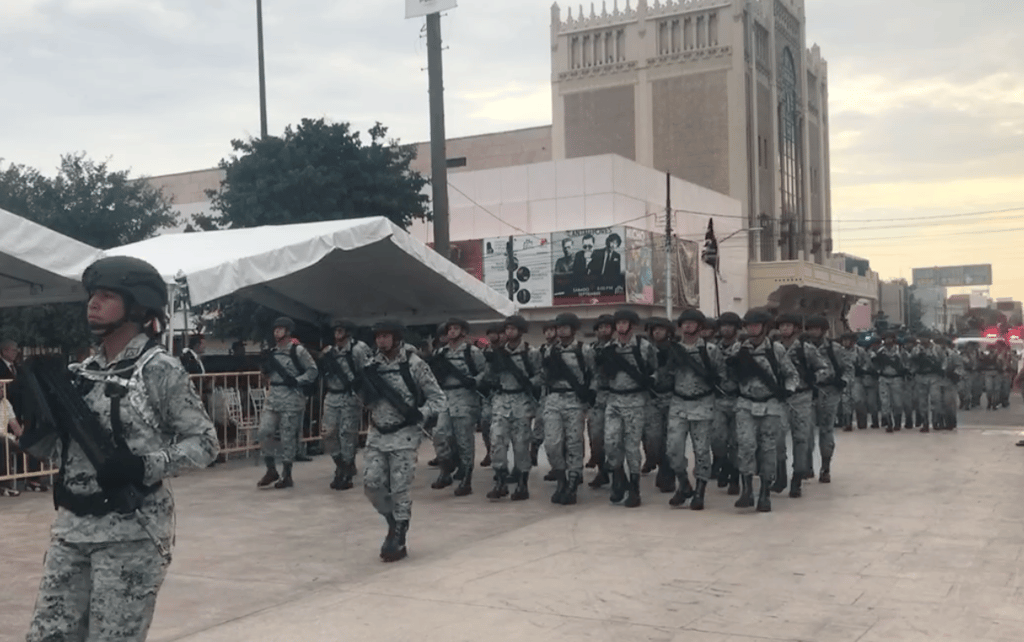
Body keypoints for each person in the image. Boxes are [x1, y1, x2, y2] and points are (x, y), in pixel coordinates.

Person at [22, 256, 219, 642]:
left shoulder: (158, 368)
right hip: (71, 530)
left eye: (107, 295)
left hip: (130, 534)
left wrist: (143, 466)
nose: (93, 303)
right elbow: (60, 454)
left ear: (137, 308)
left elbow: (205, 443)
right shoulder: (81, 374)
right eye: (93, 295)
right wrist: (35, 428)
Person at [362, 320, 445, 563]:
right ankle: (392, 521)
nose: (381, 341)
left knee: (400, 488)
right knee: (371, 483)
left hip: (405, 435)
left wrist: (422, 413)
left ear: (396, 338)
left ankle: (399, 535)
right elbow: (365, 399)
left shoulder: (414, 364)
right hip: (377, 433)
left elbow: (438, 398)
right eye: (378, 336)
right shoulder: (370, 365)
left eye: (386, 336)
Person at [727, 309, 798, 512]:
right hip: (746, 404)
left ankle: (765, 492)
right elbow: (728, 375)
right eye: (749, 325)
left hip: (770, 405)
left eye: (756, 325)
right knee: (746, 446)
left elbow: (791, 374)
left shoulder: (776, 350)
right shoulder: (739, 348)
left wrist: (788, 391)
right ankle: (747, 490)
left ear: (764, 327)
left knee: (768, 450)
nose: (752, 328)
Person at [664, 309, 727, 510]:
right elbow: (664, 377)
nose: (688, 326)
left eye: (692, 323)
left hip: (703, 403)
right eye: (685, 323)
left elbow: (722, 376)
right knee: (673, 449)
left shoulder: (710, 350)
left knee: (701, 450)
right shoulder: (673, 350)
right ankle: (683, 484)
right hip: (679, 403)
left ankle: (700, 490)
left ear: (700, 327)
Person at [596, 309, 658, 508]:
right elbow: (601, 375)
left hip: (635, 400)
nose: (621, 327)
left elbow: (655, 369)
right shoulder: (608, 348)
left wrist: (650, 381)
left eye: (625, 323)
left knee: (632, 446)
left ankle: (634, 486)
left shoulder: (644, 347)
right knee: (611, 442)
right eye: (618, 323)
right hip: (614, 400)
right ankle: (618, 477)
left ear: (632, 325)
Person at [255, 317, 318, 490]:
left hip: (291, 397)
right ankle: (270, 469)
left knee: (288, 437)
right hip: (274, 397)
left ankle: (287, 474)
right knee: (263, 431)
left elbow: (313, 371)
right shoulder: (272, 352)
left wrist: (298, 381)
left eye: (280, 329)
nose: (277, 332)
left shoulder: (298, 351)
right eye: (275, 329)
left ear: (288, 331)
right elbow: (265, 375)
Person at [540, 313, 596, 505]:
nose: (561, 330)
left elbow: (594, 374)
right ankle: (561, 477)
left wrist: (589, 396)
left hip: (574, 399)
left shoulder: (584, 349)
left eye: (565, 326)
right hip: (554, 399)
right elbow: (544, 375)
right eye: (559, 327)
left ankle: (572, 482)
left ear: (573, 329)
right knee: (552, 443)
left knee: (574, 443)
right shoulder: (549, 351)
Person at [484, 315, 542, 501]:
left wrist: (529, 382)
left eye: (513, 329)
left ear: (521, 331)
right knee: (497, 441)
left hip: (521, 400)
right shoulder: (498, 353)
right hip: (501, 399)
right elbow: (488, 376)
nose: (509, 332)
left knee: (521, 444)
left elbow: (542, 375)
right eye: (507, 329)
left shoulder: (531, 353)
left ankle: (522, 484)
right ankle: (500, 481)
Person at [428, 318, 487, 496]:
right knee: (439, 435)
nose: (451, 332)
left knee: (464, 441)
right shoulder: (441, 353)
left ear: (463, 331)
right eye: (449, 329)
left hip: (465, 398)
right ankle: (446, 470)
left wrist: (474, 381)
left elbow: (485, 370)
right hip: (445, 397)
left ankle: (466, 478)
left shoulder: (472, 351)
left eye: (455, 329)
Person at [775, 314, 831, 496]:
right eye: (782, 325)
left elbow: (824, 369)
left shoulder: (805, 349)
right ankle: (780, 474)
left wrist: (814, 379)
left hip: (802, 396)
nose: (784, 329)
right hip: (780, 398)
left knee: (801, 439)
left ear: (796, 328)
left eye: (788, 325)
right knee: (777, 438)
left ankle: (797, 477)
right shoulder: (773, 349)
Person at [320, 319, 371, 490]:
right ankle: (341, 464)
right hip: (332, 395)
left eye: (341, 330)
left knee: (347, 435)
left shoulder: (358, 349)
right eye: (336, 331)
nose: (337, 334)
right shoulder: (330, 352)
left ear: (348, 332)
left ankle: (346, 472)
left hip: (350, 396)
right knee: (328, 433)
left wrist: (364, 396)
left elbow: (367, 373)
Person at [805, 316, 852, 483]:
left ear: (823, 330)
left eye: (816, 328)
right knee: (806, 432)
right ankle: (807, 465)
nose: (813, 332)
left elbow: (848, 368)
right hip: (808, 393)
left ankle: (825, 467)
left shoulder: (835, 349)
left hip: (829, 392)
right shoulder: (802, 348)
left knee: (826, 430)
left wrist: (843, 382)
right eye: (810, 328)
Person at [644, 317, 676, 493]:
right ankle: (657, 462)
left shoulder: (675, 350)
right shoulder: (645, 349)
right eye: (654, 329)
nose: (657, 332)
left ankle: (667, 473)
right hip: (652, 398)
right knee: (653, 439)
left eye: (661, 329)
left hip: (672, 397)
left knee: (670, 440)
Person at [711, 312, 742, 494]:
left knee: (736, 442)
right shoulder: (712, 349)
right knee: (717, 440)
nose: (726, 329)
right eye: (723, 325)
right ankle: (723, 464)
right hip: (719, 399)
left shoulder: (743, 348)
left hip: (739, 399)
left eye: (730, 325)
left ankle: (735, 476)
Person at [586, 315, 614, 488]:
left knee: (614, 438)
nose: (603, 330)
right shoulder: (590, 350)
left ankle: (616, 472)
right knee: (596, 437)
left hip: (616, 395)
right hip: (596, 397)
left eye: (607, 327)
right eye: (600, 327)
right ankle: (602, 471)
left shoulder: (619, 348)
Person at [872, 333, 907, 432]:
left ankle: (897, 423)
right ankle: (888, 423)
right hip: (884, 378)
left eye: (890, 339)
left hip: (897, 378)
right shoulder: (880, 351)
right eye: (886, 339)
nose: (888, 341)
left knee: (897, 402)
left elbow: (907, 363)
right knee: (885, 402)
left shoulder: (900, 351)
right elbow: (874, 363)